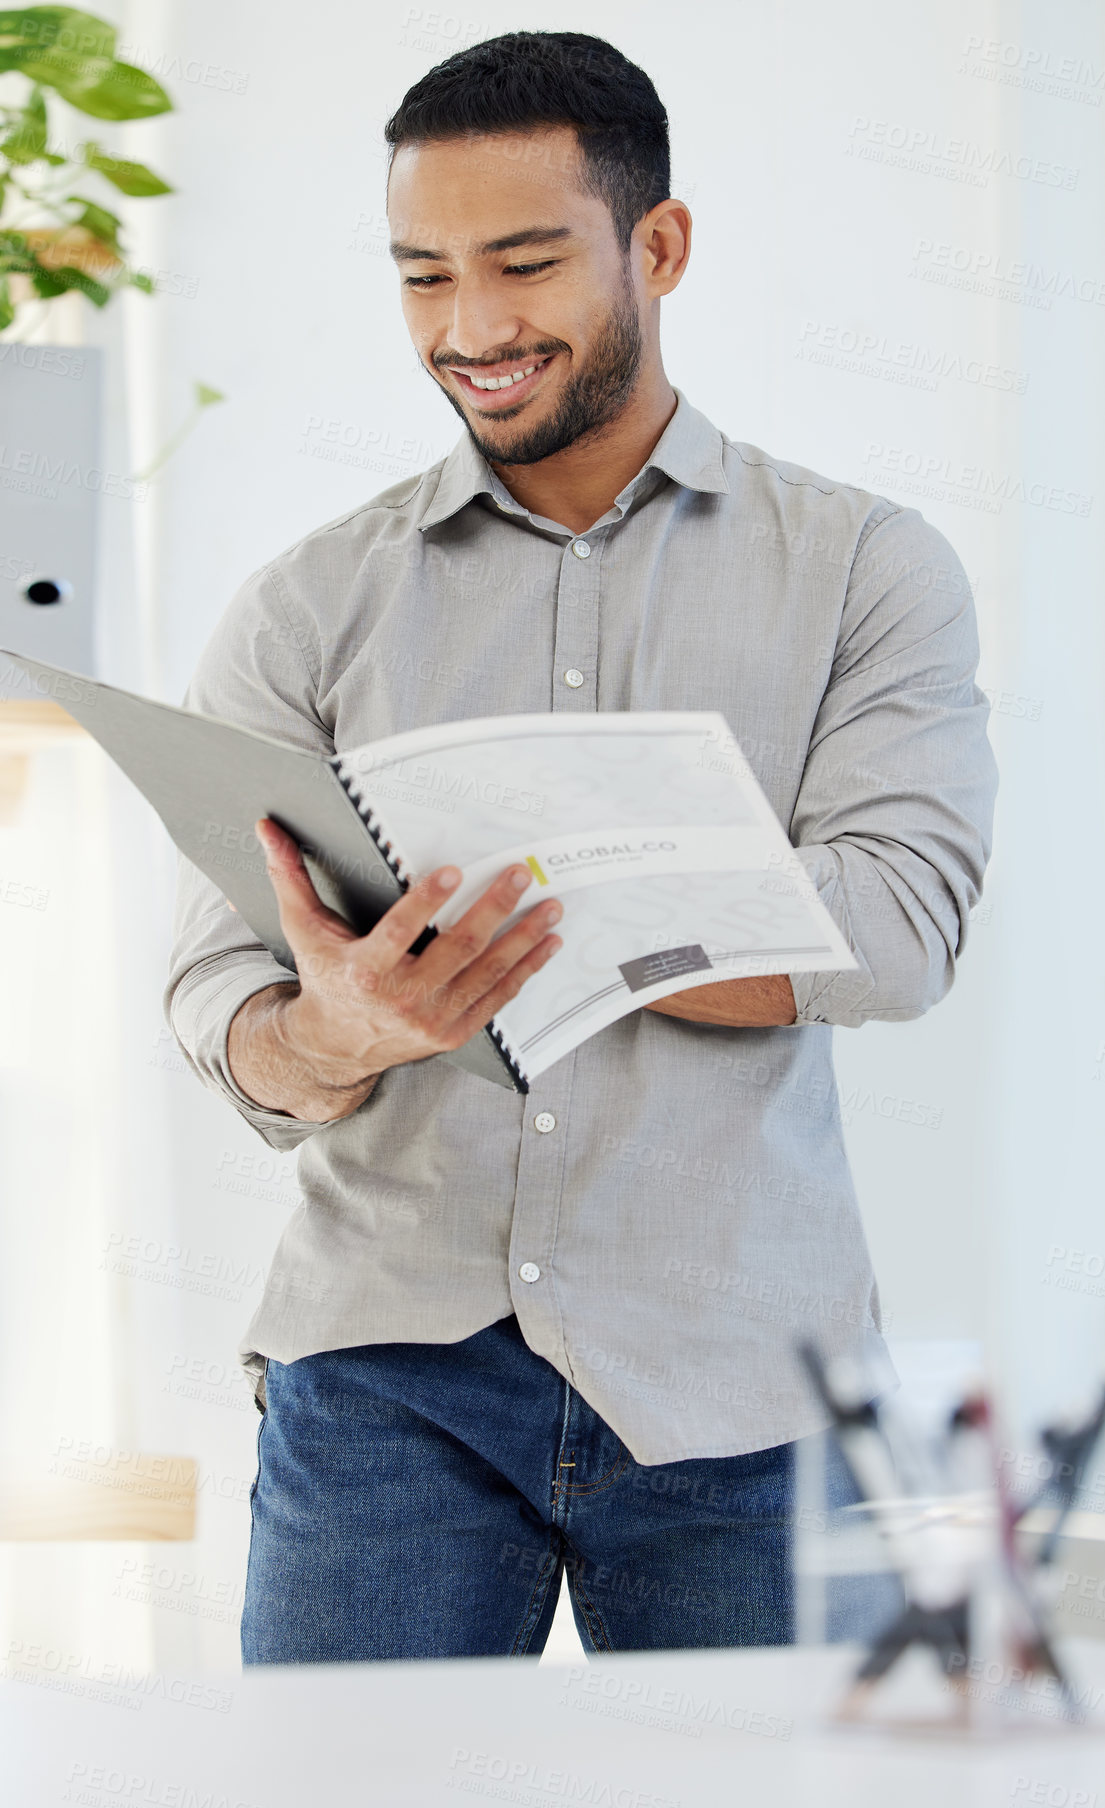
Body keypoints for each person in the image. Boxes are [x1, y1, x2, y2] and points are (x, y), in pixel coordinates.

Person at [164, 30, 998, 1665]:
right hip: (384, 1365)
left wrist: (592, 916)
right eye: (423, 276)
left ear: (658, 246)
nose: (471, 330)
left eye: (526, 264)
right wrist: (336, 1031)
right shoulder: (305, 603)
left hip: (744, 1377)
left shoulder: (865, 568)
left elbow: (895, 933)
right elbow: (216, 1001)